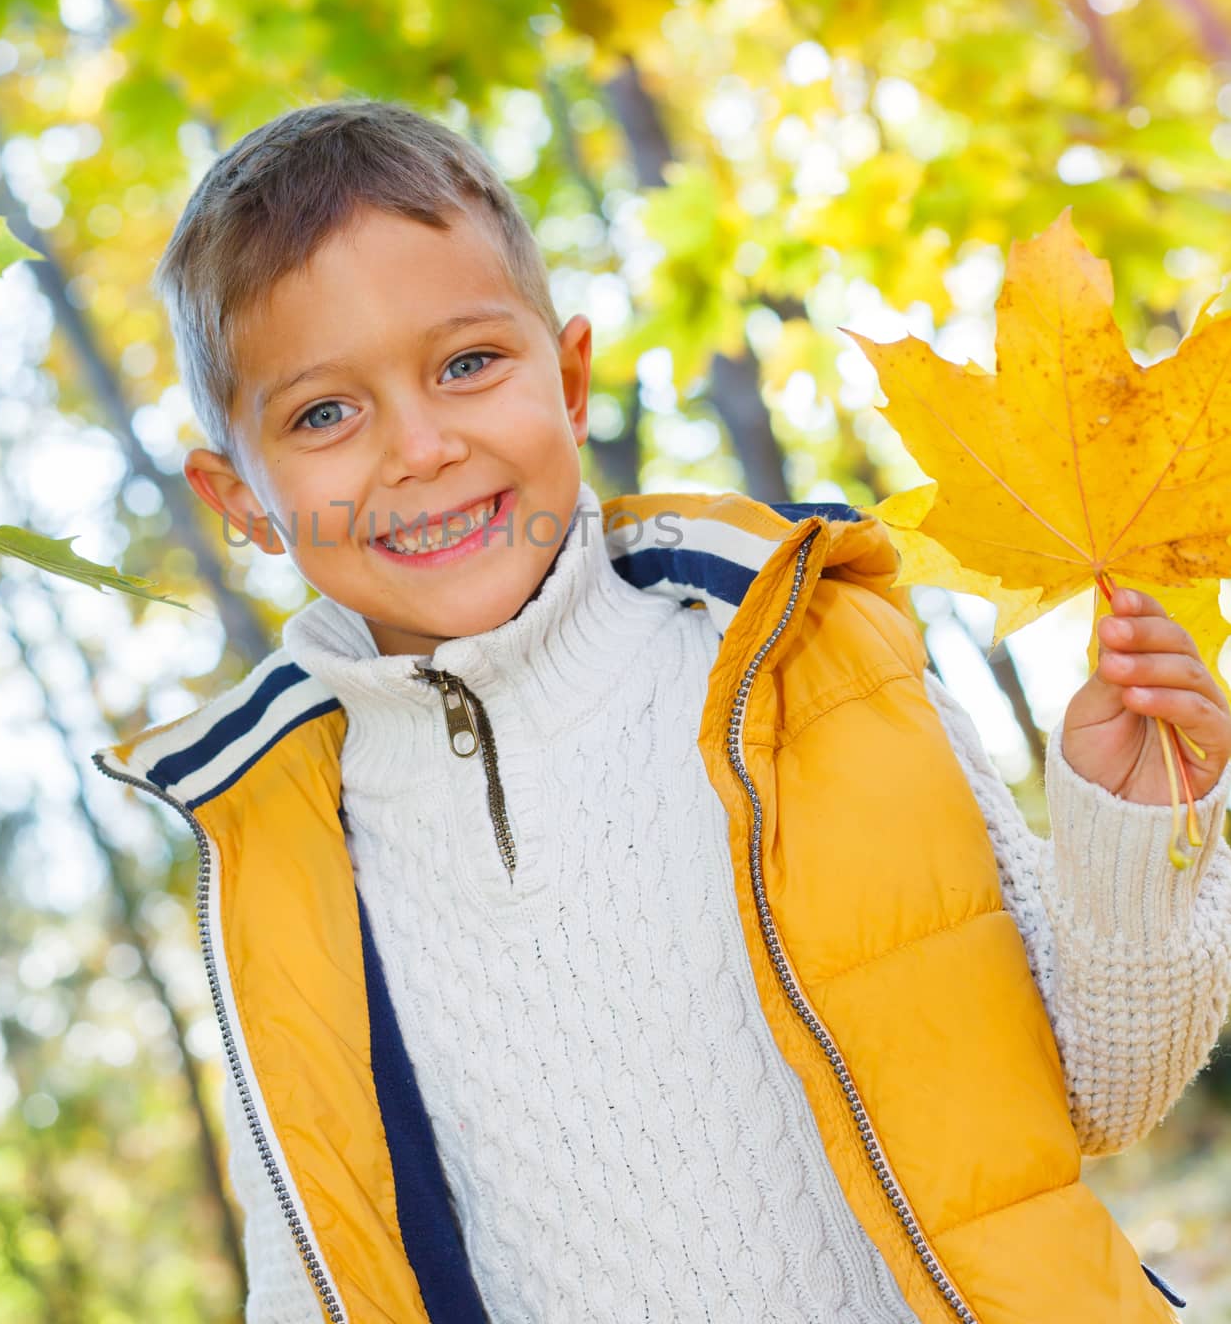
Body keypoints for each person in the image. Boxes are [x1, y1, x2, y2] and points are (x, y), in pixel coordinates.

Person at [92, 99, 1231, 1323]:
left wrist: (1132, 833)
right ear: (239, 499)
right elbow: (311, 1271)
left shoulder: (799, 656)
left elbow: (1097, 1087)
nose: (417, 447)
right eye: (324, 413)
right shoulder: (279, 846)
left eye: (467, 364)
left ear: (569, 378)